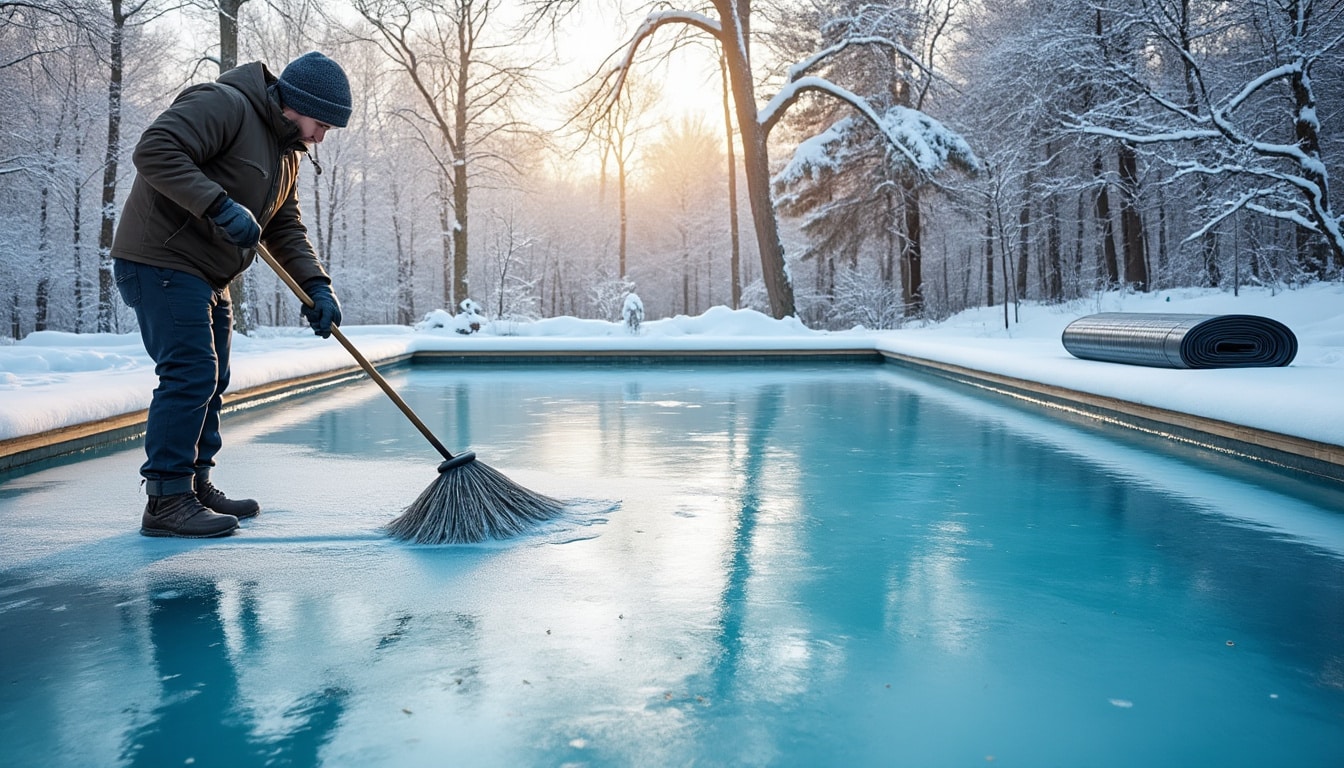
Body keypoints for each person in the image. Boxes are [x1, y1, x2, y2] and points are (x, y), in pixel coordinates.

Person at [112, 51, 351, 538]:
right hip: (161, 258)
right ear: (297, 102)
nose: (320, 137)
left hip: (207, 274)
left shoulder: (287, 154)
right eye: (321, 124)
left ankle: (195, 486)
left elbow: (284, 227)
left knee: (213, 377)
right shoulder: (225, 104)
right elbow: (155, 150)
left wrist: (317, 287)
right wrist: (219, 207)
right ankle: (166, 500)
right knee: (190, 372)